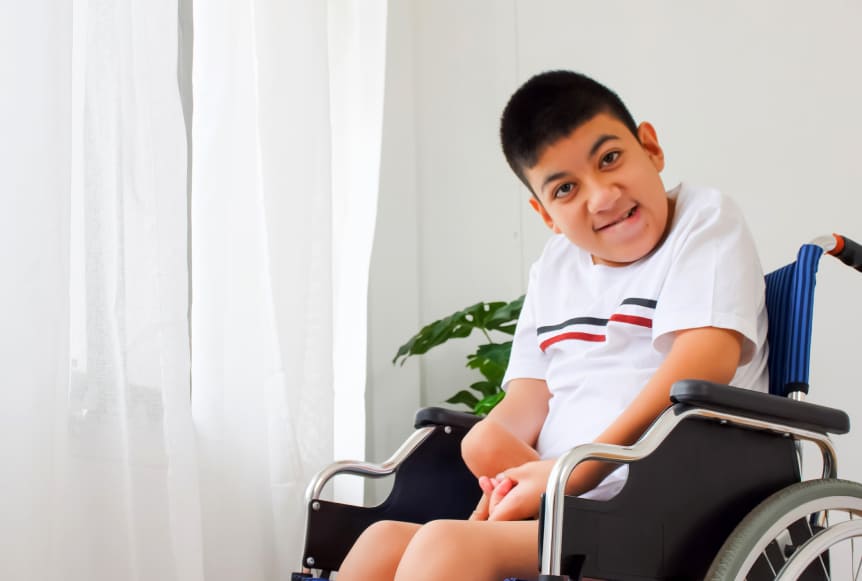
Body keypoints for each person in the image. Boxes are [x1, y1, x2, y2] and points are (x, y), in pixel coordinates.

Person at [336, 70, 769, 581]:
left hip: (665, 506)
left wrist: (579, 472)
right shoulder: (555, 268)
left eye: (610, 159)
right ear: (544, 213)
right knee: (382, 539)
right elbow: (527, 400)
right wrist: (508, 476)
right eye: (566, 189)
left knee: (447, 545)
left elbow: (706, 361)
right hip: (572, 502)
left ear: (649, 147)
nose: (602, 197)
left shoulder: (704, 220)